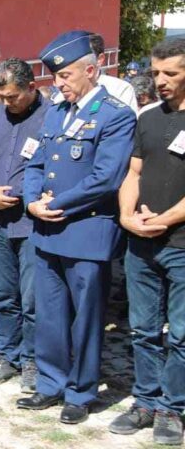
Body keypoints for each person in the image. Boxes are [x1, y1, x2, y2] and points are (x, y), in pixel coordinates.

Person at [19, 30, 136, 425]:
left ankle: (81, 391)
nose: (59, 84)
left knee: (86, 318)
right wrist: (32, 201)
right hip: (48, 229)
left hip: (86, 231)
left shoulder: (115, 116)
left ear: (91, 69)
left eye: (66, 76)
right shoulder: (54, 112)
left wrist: (57, 204)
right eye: (56, 77)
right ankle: (51, 383)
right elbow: (34, 162)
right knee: (49, 313)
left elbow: (106, 177)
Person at [111, 37, 185, 446]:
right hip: (141, 242)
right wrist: (127, 216)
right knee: (142, 329)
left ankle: (172, 409)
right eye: (156, 72)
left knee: (182, 334)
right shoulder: (149, 118)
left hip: (180, 244)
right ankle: (144, 401)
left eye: (171, 73)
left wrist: (164, 220)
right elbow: (133, 174)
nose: (160, 80)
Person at [0, 58, 49, 392]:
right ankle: (7, 355)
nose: (8, 103)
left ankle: (32, 359)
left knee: (32, 298)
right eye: (2, 97)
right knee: (1, 293)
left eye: (14, 97)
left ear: (32, 87)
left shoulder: (53, 115)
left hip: (31, 223)